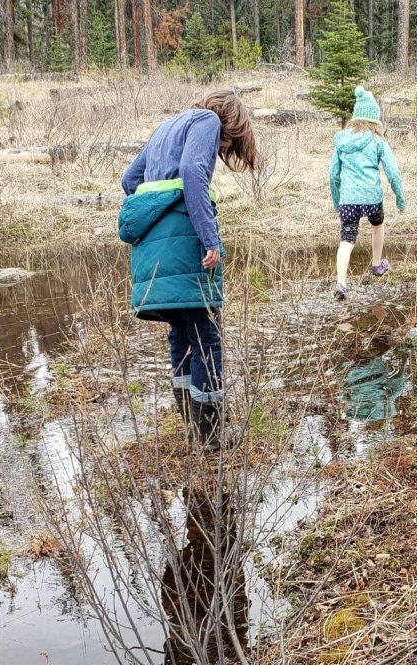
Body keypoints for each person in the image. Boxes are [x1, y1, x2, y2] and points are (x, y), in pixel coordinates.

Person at [118, 90, 257, 450]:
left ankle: (192, 427)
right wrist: (209, 236)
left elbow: (130, 180)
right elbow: (193, 172)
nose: (221, 150)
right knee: (208, 338)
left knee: (182, 334)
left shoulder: (168, 126)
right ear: (228, 123)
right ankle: (212, 436)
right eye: (226, 144)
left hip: (155, 254)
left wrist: (158, 206)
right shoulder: (207, 121)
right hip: (185, 249)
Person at [328, 86, 407, 300]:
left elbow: (333, 175)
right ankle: (376, 265)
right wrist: (400, 199)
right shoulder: (378, 141)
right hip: (372, 197)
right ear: (374, 119)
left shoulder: (341, 141)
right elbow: (393, 172)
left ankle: (341, 283)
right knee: (377, 224)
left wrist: (337, 202)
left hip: (349, 200)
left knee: (347, 239)